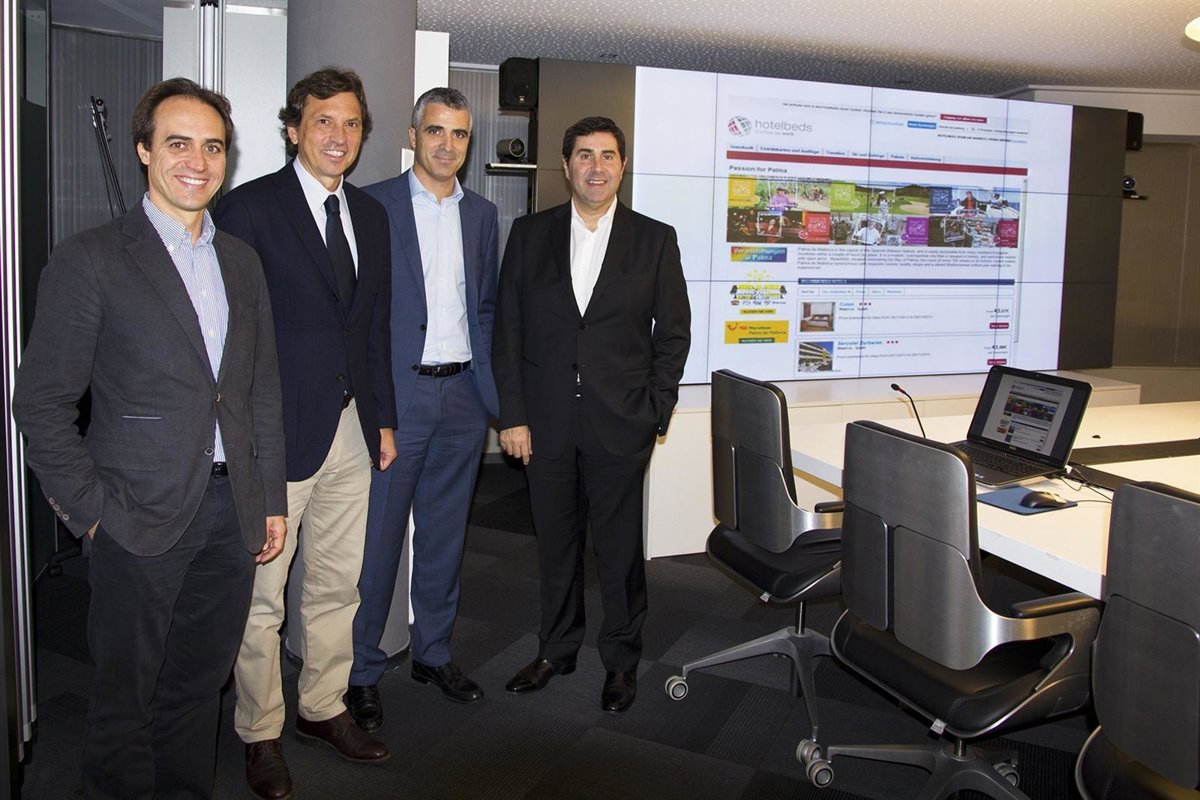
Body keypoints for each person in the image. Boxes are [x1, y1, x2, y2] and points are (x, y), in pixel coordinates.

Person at [12, 77, 287, 799]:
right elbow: (40, 403)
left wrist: (269, 499)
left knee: (198, 688)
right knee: (124, 700)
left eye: (213, 147)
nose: (197, 161)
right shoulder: (92, 258)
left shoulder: (242, 262)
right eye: (178, 143)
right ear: (143, 150)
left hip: (231, 514)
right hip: (134, 516)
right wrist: (91, 513)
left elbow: (258, 391)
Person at [215, 67, 397, 800]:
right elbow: (230, 336)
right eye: (324, 120)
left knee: (336, 582)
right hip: (277, 433)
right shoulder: (248, 208)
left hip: (351, 427)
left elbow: (373, 326)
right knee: (263, 596)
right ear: (294, 129)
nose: (338, 135)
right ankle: (259, 730)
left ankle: (322, 706)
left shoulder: (371, 216)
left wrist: (383, 417)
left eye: (351, 123)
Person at [493, 116, 691, 714]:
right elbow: (508, 331)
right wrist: (512, 416)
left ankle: (622, 660)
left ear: (622, 166)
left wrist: (654, 409)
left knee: (619, 550)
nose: (596, 167)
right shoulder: (529, 234)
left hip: (621, 423)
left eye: (607, 155)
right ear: (566, 166)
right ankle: (556, 650)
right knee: (555, 543)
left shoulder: (654, 239)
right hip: (544, 423)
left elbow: (673, 334)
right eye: (584, 155)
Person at [345, 87, 499, 728]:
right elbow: (359, 315)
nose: (447, 144)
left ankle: (433, 653)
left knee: (444, 536)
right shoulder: (371, 204)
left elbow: (485, 309)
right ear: (413, 135)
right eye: (435, 130)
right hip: (397, 402)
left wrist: (493, 399)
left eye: (459, 134)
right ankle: (361, 670)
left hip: (462, 398)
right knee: (378, 541)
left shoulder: (483, 215)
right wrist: (373, 405)